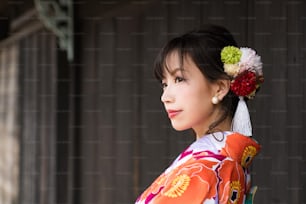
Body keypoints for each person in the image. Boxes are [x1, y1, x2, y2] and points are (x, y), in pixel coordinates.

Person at [135, 24, 264, 204]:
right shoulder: (228, 163)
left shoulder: (205, 169)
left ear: (219, 88)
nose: (165, 97)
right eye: (165, 84)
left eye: (179, 79)